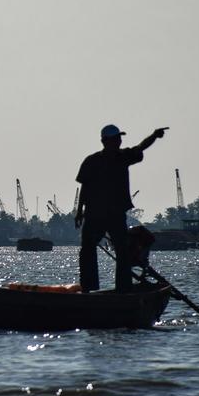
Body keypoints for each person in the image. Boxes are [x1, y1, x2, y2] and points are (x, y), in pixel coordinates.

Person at [75, 124, 167, 293]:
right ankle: (89, 288)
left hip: (115, 214)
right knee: (88, 250)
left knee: (122, 251)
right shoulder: (92, 161)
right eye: (116, 138)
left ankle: (122, 289)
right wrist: (79, 211)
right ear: (105, 141)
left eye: (119, 138)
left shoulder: (122, 156)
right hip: (95, 214)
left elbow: (141, 146)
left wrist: (154, 136)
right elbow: (85, 187)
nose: (119, 141)